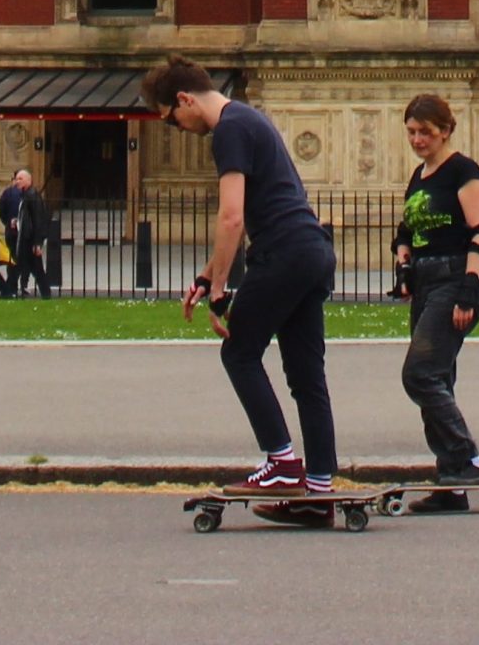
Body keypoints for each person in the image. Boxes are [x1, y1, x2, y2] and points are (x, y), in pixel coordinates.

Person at [144, 56, 339, 519]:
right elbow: (248, 217)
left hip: (282, 253)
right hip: (311, 250)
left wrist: (220, 292)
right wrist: (207, 274)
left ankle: (281, 463)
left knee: (239, 353)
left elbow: (232, 216)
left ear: (184, 99)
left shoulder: (229, 128)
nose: (178, 128)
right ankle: (319, 488)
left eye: (172, 120)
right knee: (306, 375)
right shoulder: (253, 119)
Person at [391, 92, 479, 510]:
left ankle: (467, 459)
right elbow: (410, 227)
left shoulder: (462, 170)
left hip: (454, 280)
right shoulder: (421, 175)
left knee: (420, 375)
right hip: (426, 281)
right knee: (439, 380)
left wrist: (469, 289)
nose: (418, 139)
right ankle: (450, 483)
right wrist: (401, 251)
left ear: (446, 130)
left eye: (426, 132)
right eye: (412, 132)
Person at [0, 165, 52, 299]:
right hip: (25, 239)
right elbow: (27, 219)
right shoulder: (26, 195)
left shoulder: (32, 196)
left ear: (29, 180)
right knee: (24, 267)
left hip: (29, 241)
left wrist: (37, 243)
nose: (17, 181)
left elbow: (38, 220)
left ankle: (10, 291)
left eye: (20, 179)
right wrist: (16, 222)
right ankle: (12, 291)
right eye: (16, 179)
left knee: (27, 268)